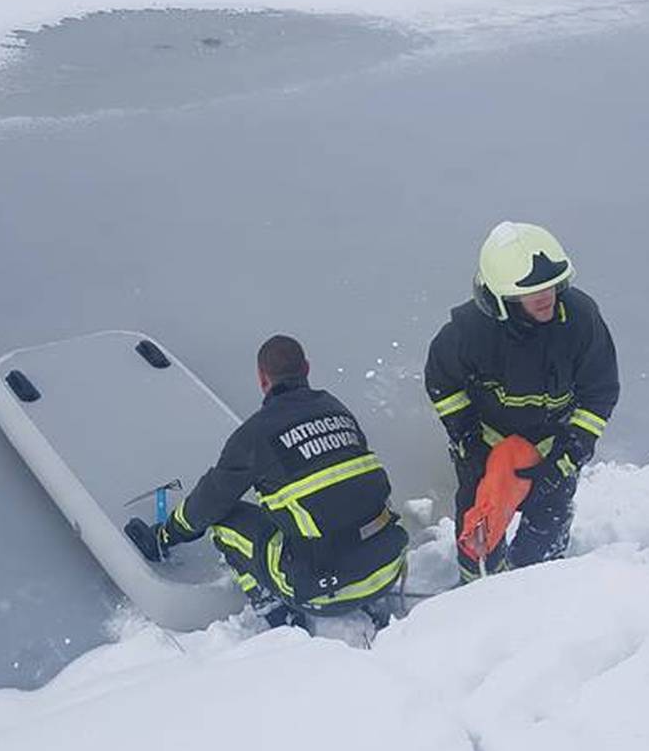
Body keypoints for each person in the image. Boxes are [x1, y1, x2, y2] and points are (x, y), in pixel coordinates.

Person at [127, 334, 408, 630]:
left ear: (262, 379)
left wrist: (165, 535)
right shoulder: (337, 410)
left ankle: (275, 611)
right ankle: (368, 591)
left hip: (323, 589)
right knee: (329, 503)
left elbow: (209, 502)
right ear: (307, 369)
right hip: (388, 565)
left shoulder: (257, 435)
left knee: (225, 521)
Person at [425, 221, 619, 583]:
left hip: (553, 444)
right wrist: (468, 440)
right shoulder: (465, 334)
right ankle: (476, 594)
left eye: (550, 286)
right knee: (477, 532)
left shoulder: (580, 320)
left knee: (549, 523)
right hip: (486, 445)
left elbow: (600, 389)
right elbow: (443, 384)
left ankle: (537, 591)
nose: (545, 296)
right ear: (500, 298)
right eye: (532, 291)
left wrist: (572, 450)